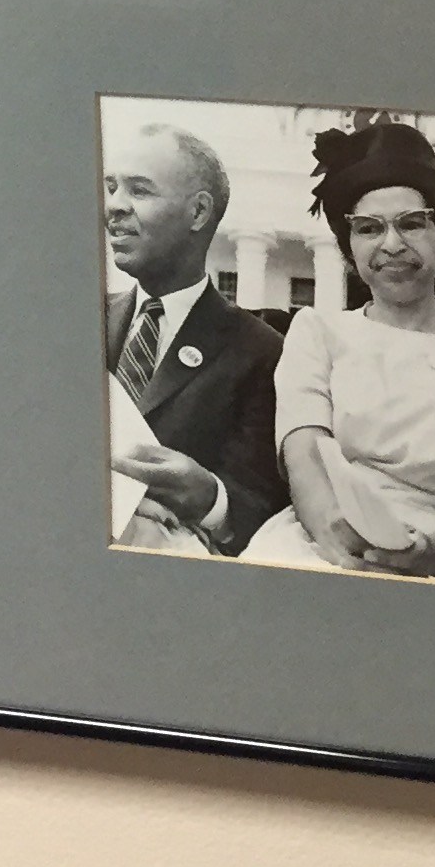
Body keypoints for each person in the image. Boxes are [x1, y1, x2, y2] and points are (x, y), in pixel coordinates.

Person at [245, 120, 435, 584]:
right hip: (325, 539)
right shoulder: (318, 332)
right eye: (369, 229)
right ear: (350, 247)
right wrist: (337, 539)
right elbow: (304, 456)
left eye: (412, 223)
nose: (392, 245)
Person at [100, 121, 284, 554]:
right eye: (111, 188)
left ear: (198, 213)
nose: (114, 206)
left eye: (139, 190)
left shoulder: (261, 351)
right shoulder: (77, 322)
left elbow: (261, 504)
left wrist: (210, 498)